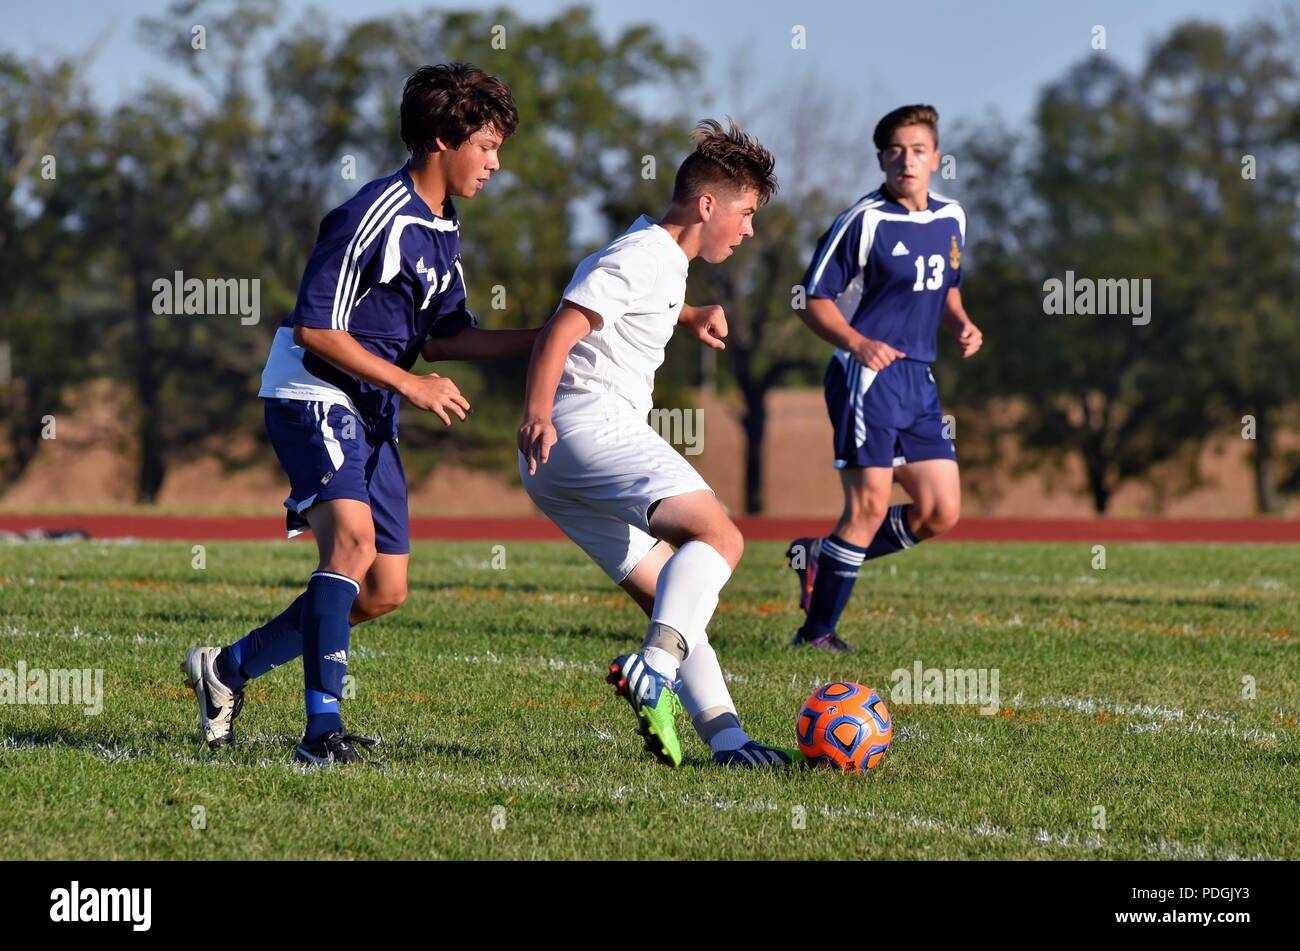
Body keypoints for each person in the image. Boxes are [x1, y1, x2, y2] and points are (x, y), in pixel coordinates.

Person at [182, 63, 535, 765]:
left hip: (370, 405)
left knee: (382, 590)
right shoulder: (369, 213)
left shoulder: (443, 224)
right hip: (312, 390)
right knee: (350, 545)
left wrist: (550, 332)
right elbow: (316, 328)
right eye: (488, 146)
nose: (496, 164)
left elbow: (445, 335)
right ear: (442, 137)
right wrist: (411, 385)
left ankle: (225, 668)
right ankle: (320, 733)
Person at [518, 119, 798, 768]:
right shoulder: (642, 255)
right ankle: (652, 671)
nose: (750, 229)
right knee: (721, 537)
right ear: (708, 206)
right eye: (747, 213)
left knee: (677, 593)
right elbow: (561, 327)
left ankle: (728, 740)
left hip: (557, 465)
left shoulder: (662, 259)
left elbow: (633, 301)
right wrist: (536, 410)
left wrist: (691, 314)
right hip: (589, 427)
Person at [788, 104, 983, 653]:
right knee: (869, 507)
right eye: (895, 150)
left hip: (919, 381)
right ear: (880, 158)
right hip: (864, 377)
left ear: (936, 158)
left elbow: (946, 286)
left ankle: (822, 557)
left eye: (918, 150)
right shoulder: (864, 220)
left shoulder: (952, 218)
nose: (906, 160)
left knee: (940, 511)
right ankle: (817, 633)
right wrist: (857, 342)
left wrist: (963, 323)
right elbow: (809, 298)